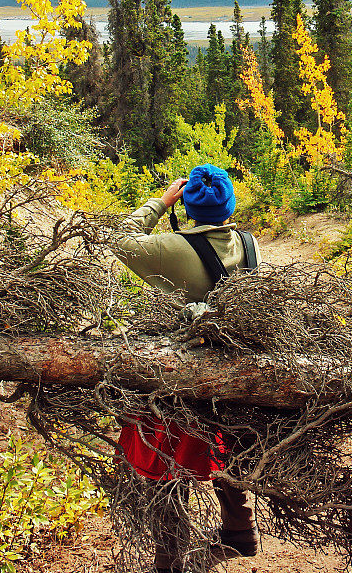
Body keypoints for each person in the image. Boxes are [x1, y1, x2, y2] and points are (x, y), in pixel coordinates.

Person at [113, 164, 260, 573]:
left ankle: (170, 557)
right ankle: (239, 531)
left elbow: (117, 240)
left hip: (180, 371)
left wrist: (160, 203)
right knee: (227, 447)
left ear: (188, 204)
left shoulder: (172, 249)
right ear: (230, 204)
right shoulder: (249, 245)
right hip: (233, 368)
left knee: (166, 457)